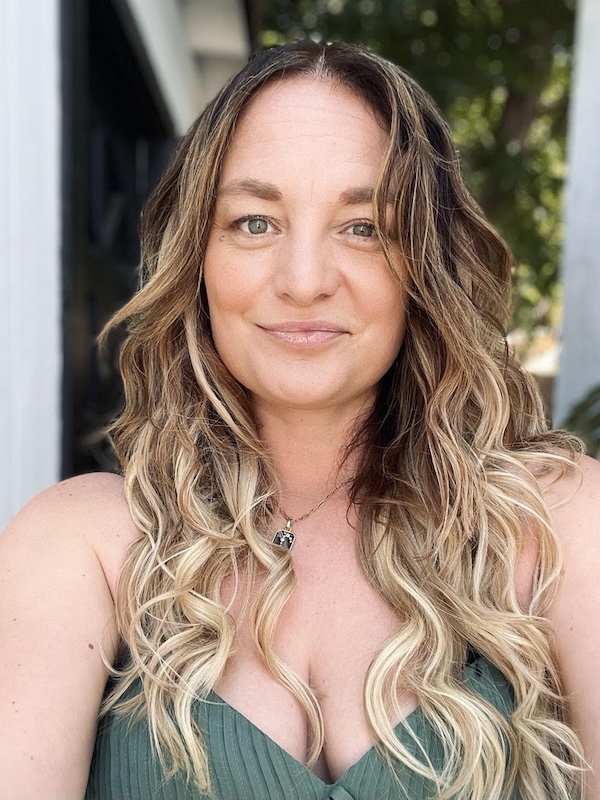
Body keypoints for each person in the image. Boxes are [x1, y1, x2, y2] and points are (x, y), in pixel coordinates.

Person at [1, 40, 599, 800]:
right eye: (255, 223)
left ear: (426, 265)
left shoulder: (559, 526)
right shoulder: (82, 546)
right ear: (197, 258)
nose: (305, 280)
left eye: (364, 226)